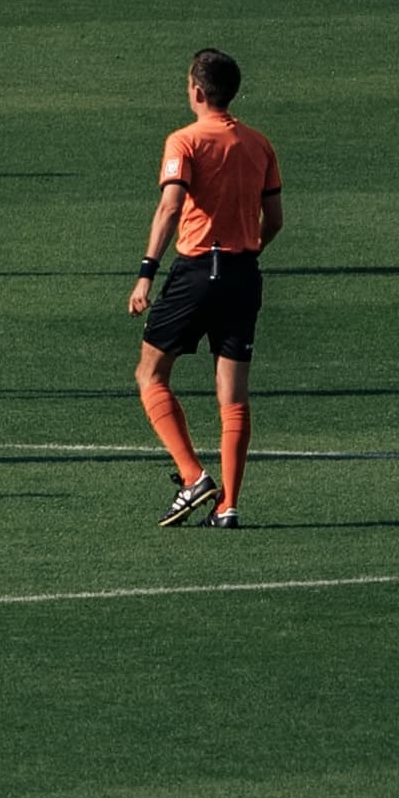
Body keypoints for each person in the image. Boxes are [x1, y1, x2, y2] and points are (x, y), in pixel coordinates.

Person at [127, 46, 277, 531]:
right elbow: (273, 220)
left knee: (150, 374)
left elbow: (170, 207)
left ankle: (193, 477)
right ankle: (229, 506)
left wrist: (147, 270)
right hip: (243, 272)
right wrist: (247, 246)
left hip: (196, 270)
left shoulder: (184, 141)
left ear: (195, 91)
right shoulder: (259, 144)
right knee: (233, 394)